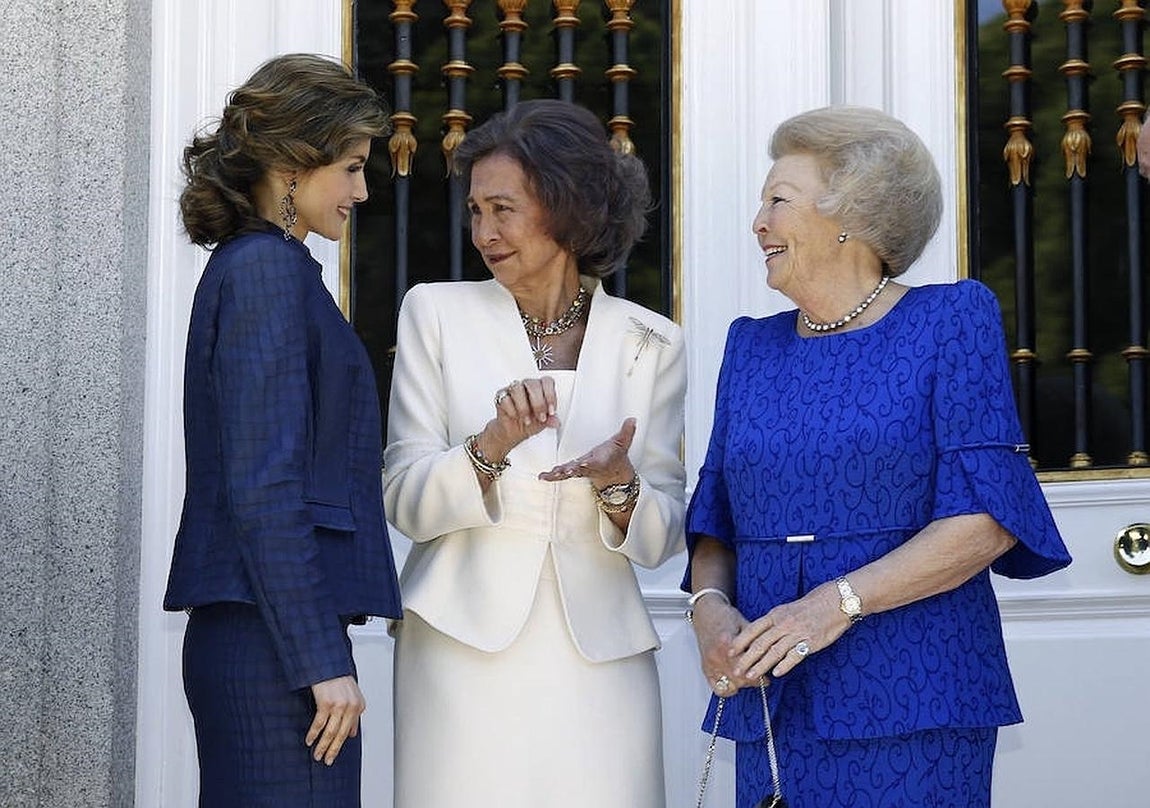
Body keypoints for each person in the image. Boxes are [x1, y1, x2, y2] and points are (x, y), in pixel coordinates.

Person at [683, 105, 1072, 808]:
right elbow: (717, 521)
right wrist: (710, 612)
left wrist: (834, 604)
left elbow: (986, 516)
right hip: (773, 696)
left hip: (914, 687)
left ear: (851, 214)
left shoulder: (951, 319)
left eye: (778, 200)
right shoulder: (749, 346)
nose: (758, 223)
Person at [383, 99, 686, 808]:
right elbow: (401, 498)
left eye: (504, 209)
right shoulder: (435, 313)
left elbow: (668, 530)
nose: (484, 232)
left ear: (568, 205)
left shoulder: (653, 341)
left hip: (600, 661)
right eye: (476, 211)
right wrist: (489, 448)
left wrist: (620, 486)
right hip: (460, 651)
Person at [162, 53, 402, 807]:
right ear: (294, 162)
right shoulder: (265, 270)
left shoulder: (275, 267)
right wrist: (318, 659)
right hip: (273, 650)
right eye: (353, 167)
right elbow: (264, 485)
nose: (363, 191)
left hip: (270, 641)